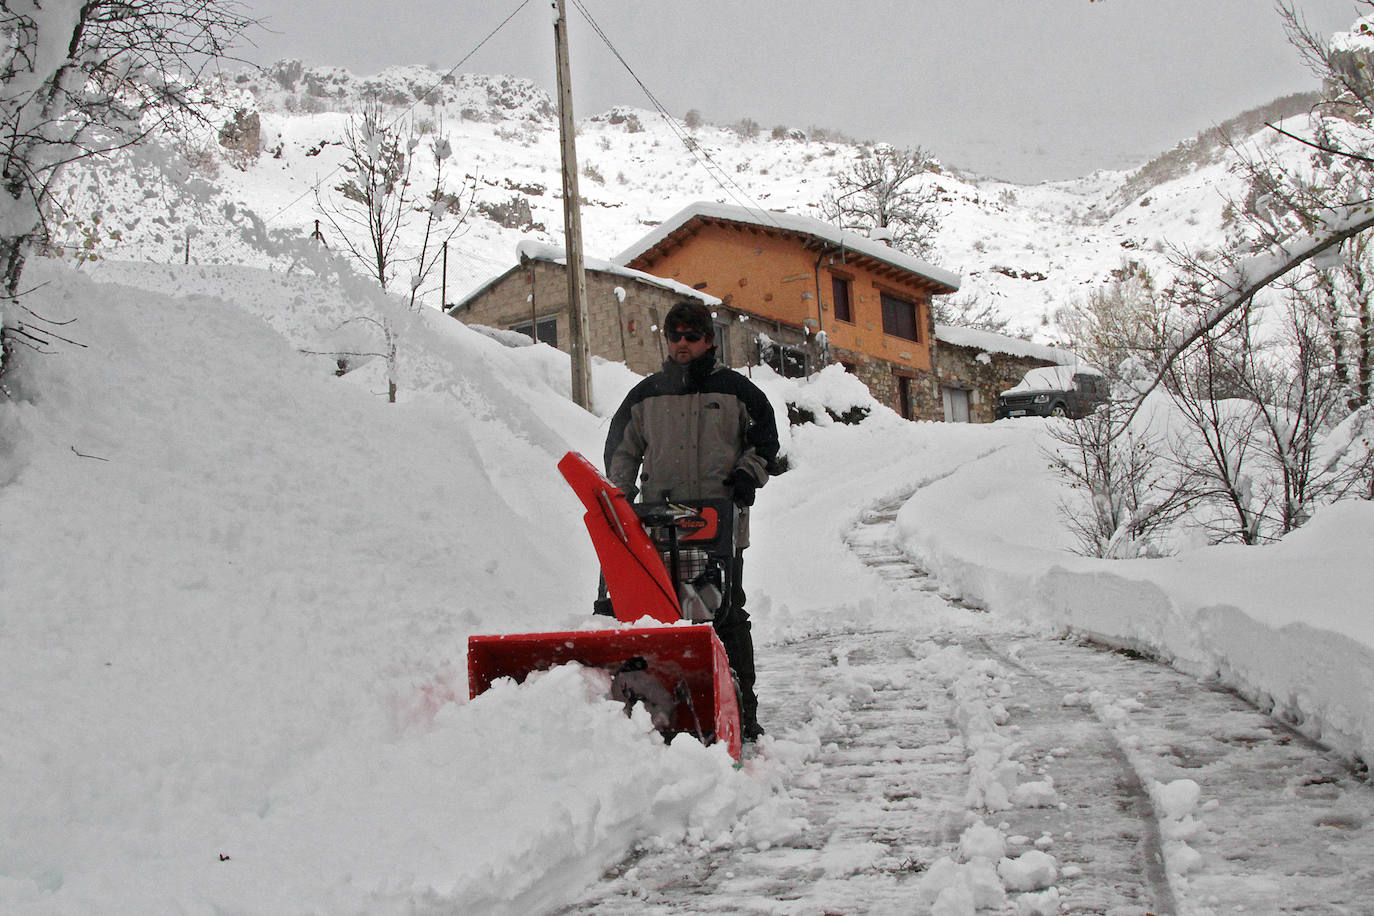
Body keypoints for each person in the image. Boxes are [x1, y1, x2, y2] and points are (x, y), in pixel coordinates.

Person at [604, 300, 781, 742]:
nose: (682, 344)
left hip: (718, 521)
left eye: (691, 335)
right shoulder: (646, 395)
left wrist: (746, 476)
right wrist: (619, 495)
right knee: (654, 615)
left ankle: (743, 708)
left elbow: (765, 443)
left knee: (722, 611)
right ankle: (652, 705)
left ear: (708, 339)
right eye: (675, 336)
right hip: (657, 524)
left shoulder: (738, 392)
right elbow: (621, 451)